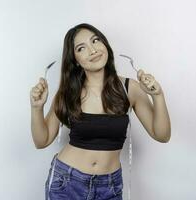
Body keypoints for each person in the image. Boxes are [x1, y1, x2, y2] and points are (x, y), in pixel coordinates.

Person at [30, 23, 171, 200]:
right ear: (75, 60)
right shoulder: (69, 92)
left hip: (109, 187)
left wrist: (157, 95)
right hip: (67, 183)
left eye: (95, 40)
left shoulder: (129, 88)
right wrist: (37, 108)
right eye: (81, 48)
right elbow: (41, 141)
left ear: (104, 44)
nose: (93, 50)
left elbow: (162, 135)